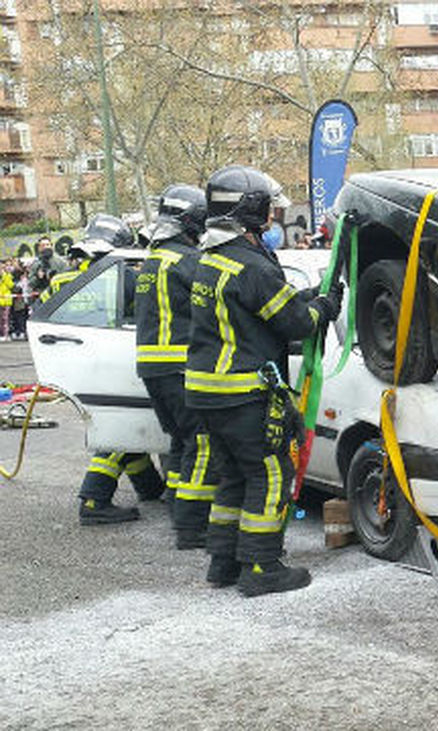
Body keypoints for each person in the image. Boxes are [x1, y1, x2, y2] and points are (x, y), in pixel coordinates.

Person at [185, 165, 342, 596]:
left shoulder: (213, 258)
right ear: (250, 211)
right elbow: (295, 323)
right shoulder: (252, 265)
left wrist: (310, 296)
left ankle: (224, 563)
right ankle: (261, 567)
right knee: (270, 473)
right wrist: (325, 307)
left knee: (234, 476)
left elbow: (262, 308)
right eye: (269, 208)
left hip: (208, 393)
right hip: (243, 394)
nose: (273, 215)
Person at [63, 215, 169, 524]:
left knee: (126, 421)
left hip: (81, 361)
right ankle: (94, 499)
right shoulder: (126, 279)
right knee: (123, 430)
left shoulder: (69, 279)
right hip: (116, 359)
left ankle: (148, 486)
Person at [136, 184, 221, 548]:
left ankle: (176, 504)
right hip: (179, 366)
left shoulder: (153, 259)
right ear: (193, 221)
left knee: (182, 441)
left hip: (153, 369)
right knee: (202, 442)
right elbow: (219, 301)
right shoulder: (188, 261)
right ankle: (191, 526)